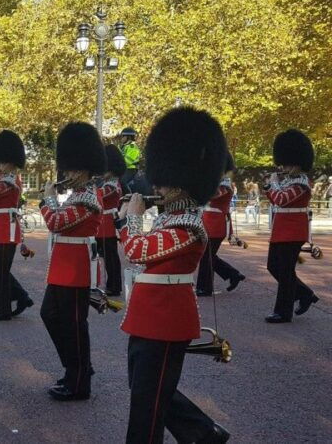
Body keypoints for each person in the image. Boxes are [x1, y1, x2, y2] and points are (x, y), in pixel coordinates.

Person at [116, 107, 229, 444]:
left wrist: (132, 219)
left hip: (166, 320)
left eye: (164, 184)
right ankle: (203, 432)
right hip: (149, 315)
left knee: (147, 406)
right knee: (145, 389)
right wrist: (128, 220)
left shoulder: (190, 225)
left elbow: (137, 252)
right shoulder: (170, 217)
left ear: (181, 184)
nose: (158, 188)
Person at [39, 122, 106, 401]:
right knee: (51, 315)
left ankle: (79, 381)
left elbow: (55, 222)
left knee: (74, 325)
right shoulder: (78, 195)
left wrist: (47, 200)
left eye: (71, 169)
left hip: (77, 268)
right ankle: (77, 368)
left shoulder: (87, 198)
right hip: (63, 266)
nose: (66, 173)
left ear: (84, 169)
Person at [264, 129, 318, 323]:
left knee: (286, 273)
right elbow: (277, 200)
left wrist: (271, 185)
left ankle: (283, 312)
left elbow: (280, 200)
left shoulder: (301, 183)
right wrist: (272, 186)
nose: (283, 167)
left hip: (293, 231)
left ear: (297, 164)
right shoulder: (289, 181)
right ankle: (305, 294)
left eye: (287, 163)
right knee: (273, 267)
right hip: (282, 230)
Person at [0, 130, 33, 321]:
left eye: (2, 162)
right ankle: (21, 296)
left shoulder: (10, 181)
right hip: (1, 227)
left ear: (10, 162)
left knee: (0, 271)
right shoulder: (5, 179)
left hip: (7, 228)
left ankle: (3, 310)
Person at [197, 153, 246, 296]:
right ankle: (233, 274)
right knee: (207, 255)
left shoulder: (225, 184)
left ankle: (204, 288)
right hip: (207, 222)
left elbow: (212, 195)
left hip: (216, 224)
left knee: (206, 256)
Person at [97, 144, 125, 297]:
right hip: (104, 223)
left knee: (110, 258)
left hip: (107, 224)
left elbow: (99, 195)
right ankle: (112, 284)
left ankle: (114, 286)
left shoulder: (111, 185)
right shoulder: (111, 183)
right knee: (108, 257)